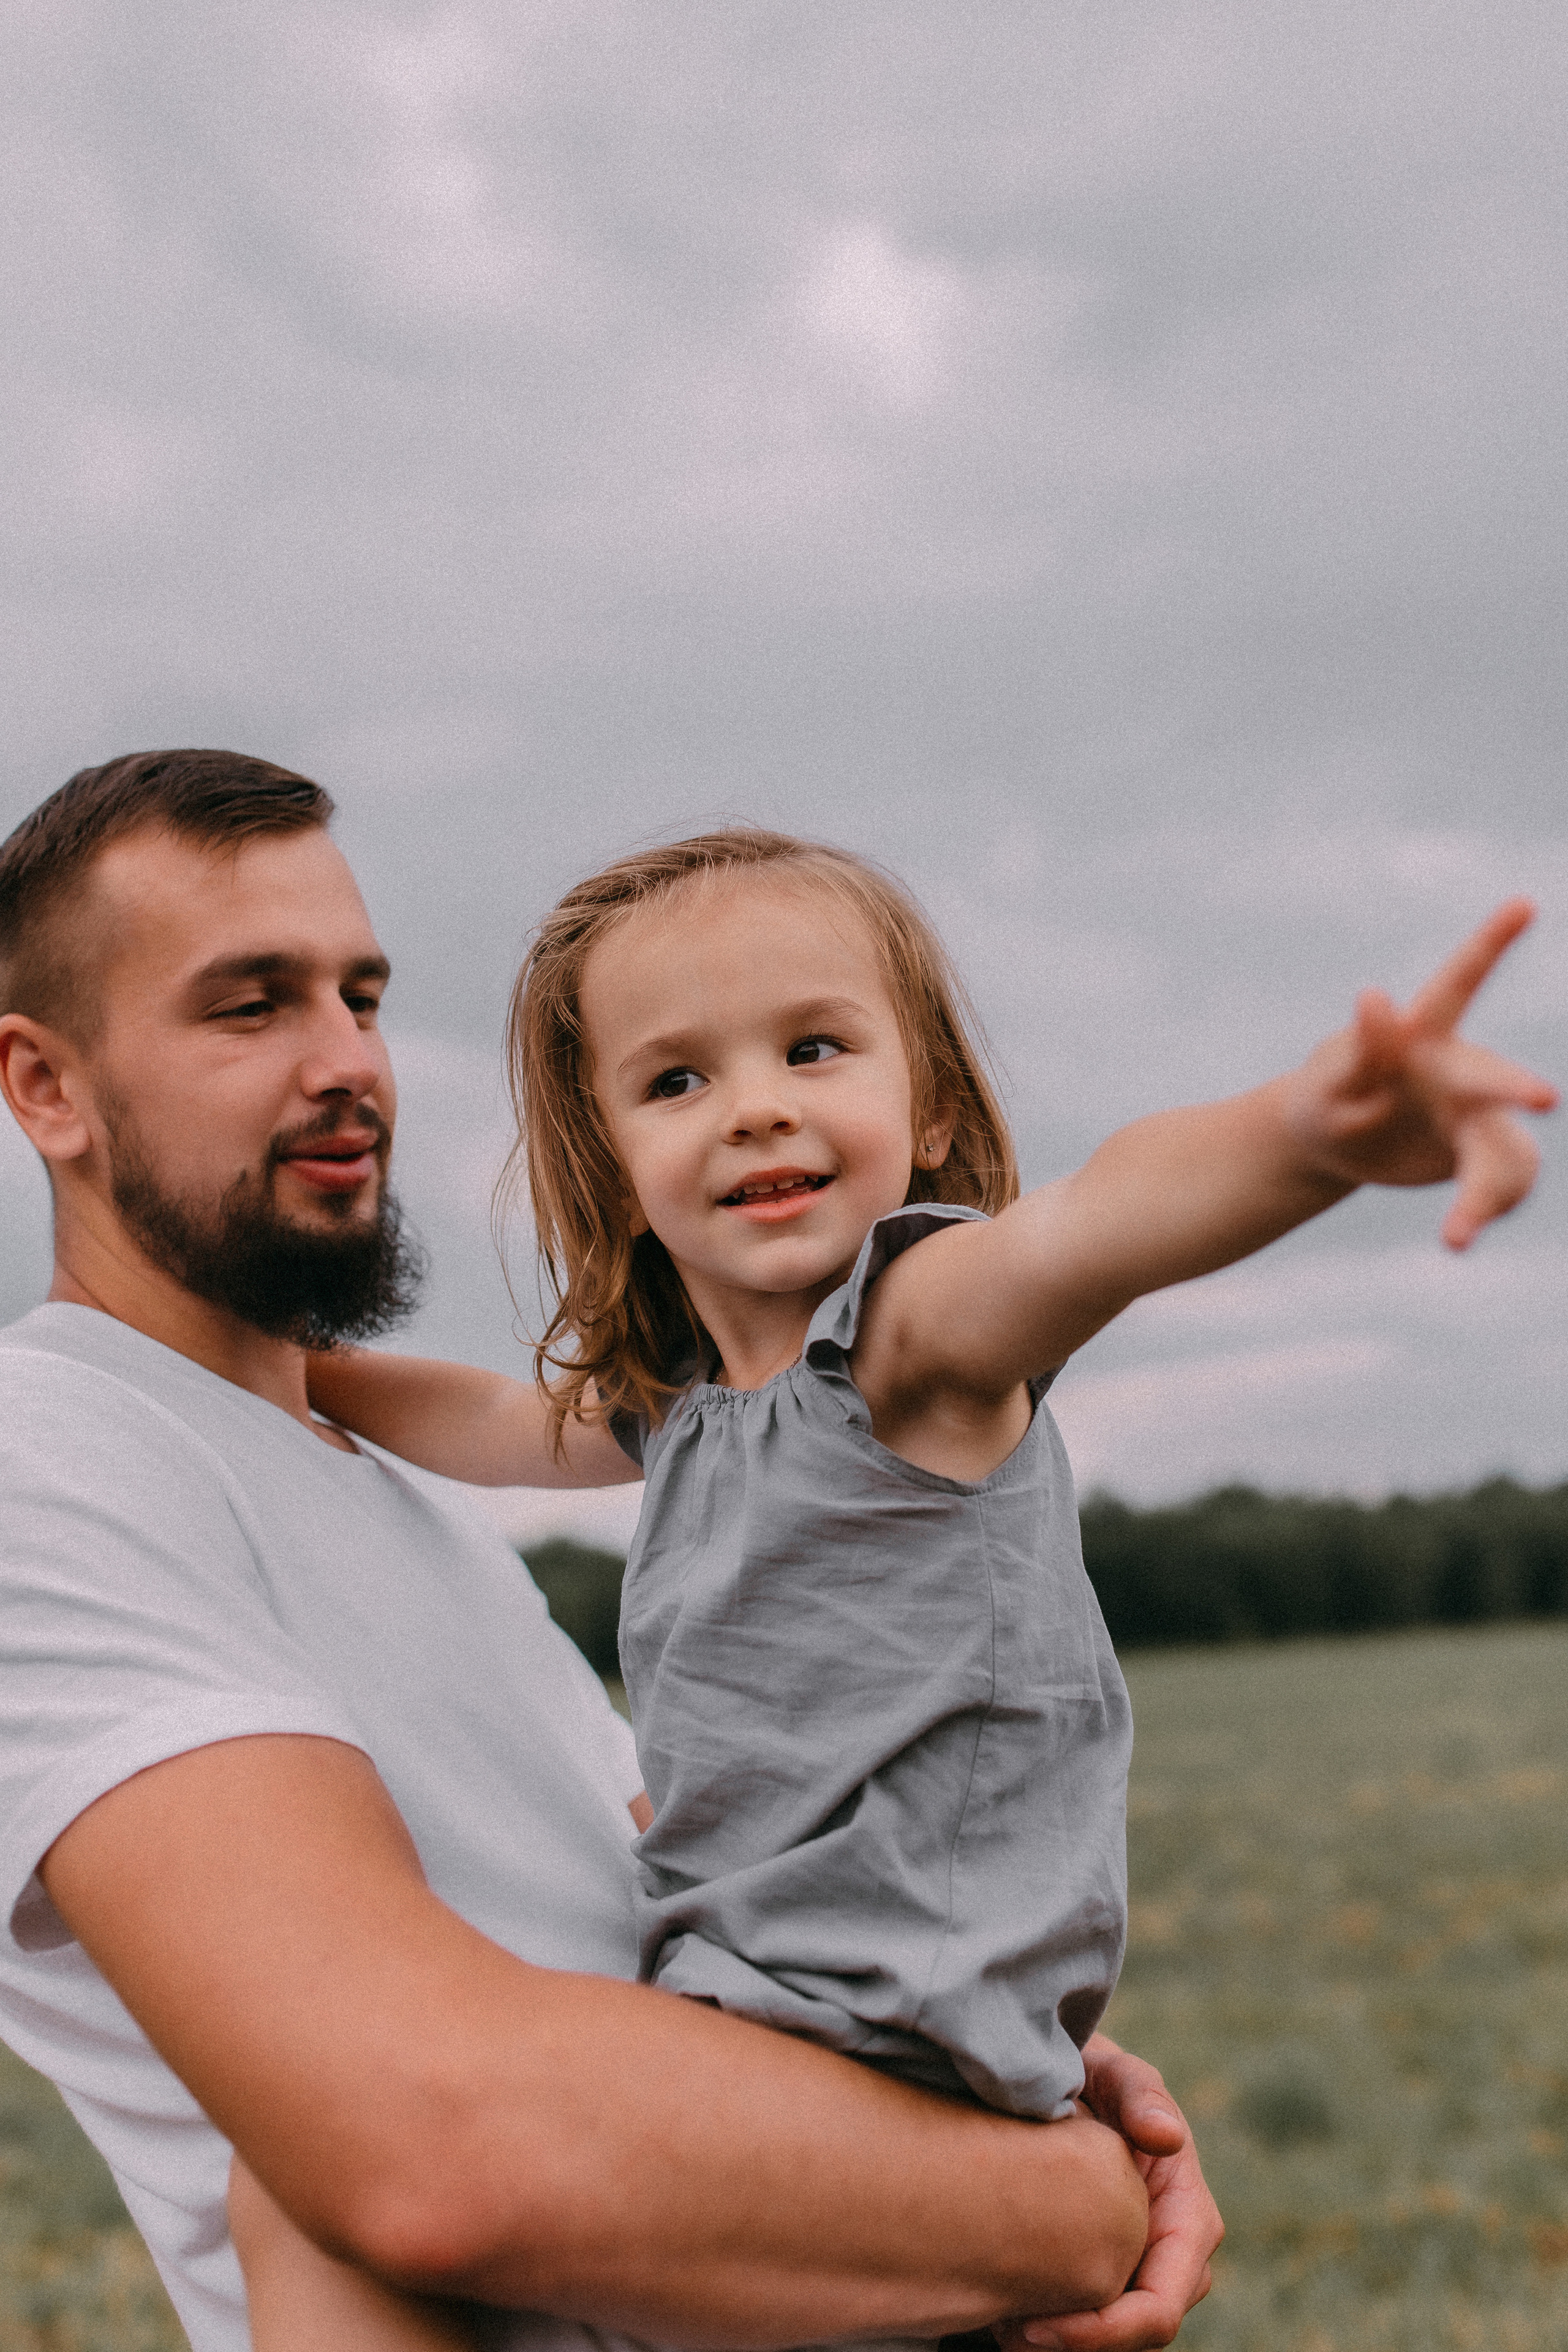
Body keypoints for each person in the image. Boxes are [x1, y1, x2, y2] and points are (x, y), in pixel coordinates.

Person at [0, 752, 1223, 2352]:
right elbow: (434, 2149)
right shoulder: (47, 1460)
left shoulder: (402, 1494)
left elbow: (715, 1908)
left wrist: (990, 2072)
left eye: (360, 996)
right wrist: (1063, 2202)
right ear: (45, 1088)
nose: (347, 1062)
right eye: (251, 1006)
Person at [283, 827, 1555, 2347]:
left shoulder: (910, 1345)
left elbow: (1094, 1223)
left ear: (928, 1101)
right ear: (614, 1169)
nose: (755, 1107)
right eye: (675, 1081)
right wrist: (281, 1373)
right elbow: (488, 1426)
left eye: (812, 1048)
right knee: (335, 2187)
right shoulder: (676, 1417)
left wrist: (1311, 1134)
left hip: (888, 2051)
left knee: (357, 2188)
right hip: (744, 2029)